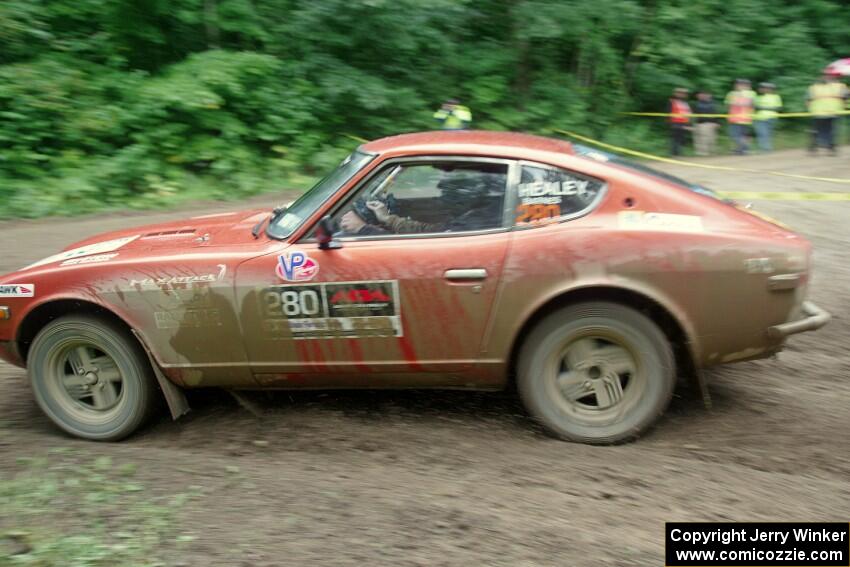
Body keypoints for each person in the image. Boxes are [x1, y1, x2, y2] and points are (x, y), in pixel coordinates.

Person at [807, 71, 850, 155]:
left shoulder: (840, 86)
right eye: (825, 75)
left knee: (832, 131)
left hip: (832, 112)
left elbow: (847, 96)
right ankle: (814, 148)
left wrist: (844, 103)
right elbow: (808, 100)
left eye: (828, 75)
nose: (826, 77)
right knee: (816, 131)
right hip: (818, 112)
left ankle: (831, 148)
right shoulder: (814, 87)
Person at [724, 79, 756, 154]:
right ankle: (742, 149)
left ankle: (745, 149)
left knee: (735, 135)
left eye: (741, 84)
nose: (738, 86)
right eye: (737, 84)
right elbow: (728, 105)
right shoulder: (731, 94)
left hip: (743, 118)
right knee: (739, 135)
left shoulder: (750, 93)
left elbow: (751, 104)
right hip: (735, 118)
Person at [753, 82, 782, 152]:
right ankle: (764, 148)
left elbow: (778, 108)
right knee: (762, 133)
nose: (762, 89)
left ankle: (766, 148)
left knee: (767, 134)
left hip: (771, 118)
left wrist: (763, 108)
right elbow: (755, 107)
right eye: (761, 88)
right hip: (759, 118)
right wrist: (767, 108)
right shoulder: (757, 97)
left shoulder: (776, 97)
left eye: (765, 88)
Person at [693, 90, 720, 156]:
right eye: (703, 94)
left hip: (712, 123)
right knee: (702, 138)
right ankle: (702, 153)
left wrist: (717, 122)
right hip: (701, 123)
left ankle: (712, 152)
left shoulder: (713, 104)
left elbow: (715, 113)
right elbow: (693, 114)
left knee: (712, 138)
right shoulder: (696, 104)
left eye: (708, 94)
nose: (706, 96)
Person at [668, 87, 691, 156]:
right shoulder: (671, 101)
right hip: (675, 122)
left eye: (684, 93)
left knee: (681, 138)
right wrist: (670, 122)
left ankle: (679, 153)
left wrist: (688, 124)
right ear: (676, 93)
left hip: (683, 123)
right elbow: (668, 112)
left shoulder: (685, 103)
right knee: (675, 138)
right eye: (680, 93)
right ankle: (673, 154)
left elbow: (688, 114)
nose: (682, 95)